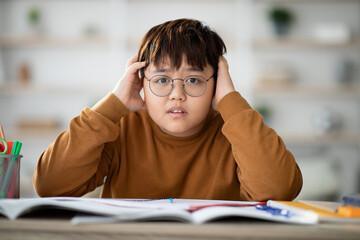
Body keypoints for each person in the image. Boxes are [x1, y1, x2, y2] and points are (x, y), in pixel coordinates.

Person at [33, 18, 302, 201]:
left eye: (194, 80)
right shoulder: (121, 128)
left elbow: (279, 189)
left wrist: (230, 101)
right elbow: (50, 185)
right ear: (141, 82)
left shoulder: (236, 133)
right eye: (162, 80)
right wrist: (112, 106)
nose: (177, 94)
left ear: (216, 83)